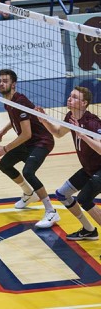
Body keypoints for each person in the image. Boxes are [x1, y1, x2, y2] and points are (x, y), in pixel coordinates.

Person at [0, 69, 59, 228]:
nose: (1, 83)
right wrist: (5, 129)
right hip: (28, 143)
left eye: (5, 81)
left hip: (41, 142)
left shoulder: (19, 101)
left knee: (28, 172)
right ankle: (29, 194)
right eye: (0, 80)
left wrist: (6, 149)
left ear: (13, 84)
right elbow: (15, 118)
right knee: (4, 165)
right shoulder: (9, 100)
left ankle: (51, 211)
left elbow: (27, 134)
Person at [35, 86, 101, 241]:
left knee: (84, 198)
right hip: (89, 168)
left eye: (75, 97)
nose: (70, 99)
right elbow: (58, 133)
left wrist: (83, 135)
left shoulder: (93, 123)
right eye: (70, 96)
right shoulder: (70, 117)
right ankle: (89, 230)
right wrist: (44, 120)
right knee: (62, 194)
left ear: (84, 103)